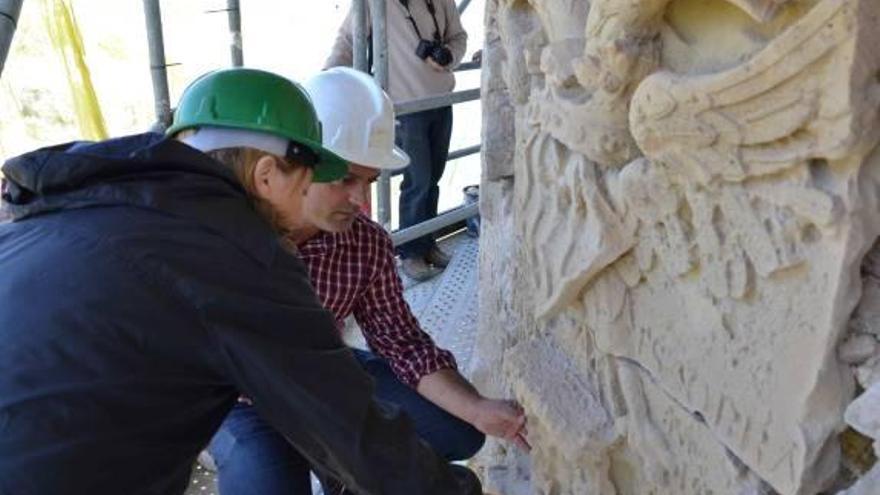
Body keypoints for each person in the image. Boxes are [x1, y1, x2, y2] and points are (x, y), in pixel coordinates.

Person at [0, 67, 482, 495]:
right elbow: (349, 427)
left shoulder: (62, 210)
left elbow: (353, 378)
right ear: (268, 174)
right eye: (317, 176)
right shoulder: (237, 258)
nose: (357, 200)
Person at [207, 67, 529, 495]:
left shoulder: (364, 243)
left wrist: (477, 408)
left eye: (370, 181)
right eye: (345, 179)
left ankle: (344, 471)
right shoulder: (225, 232)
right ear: (296, 167)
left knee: (461, 430)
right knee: (265, 478)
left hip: (320, 367)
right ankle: (335, 462)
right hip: (238, 396)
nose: (361, 201)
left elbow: (402, 344)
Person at [326, 0, 468, 281]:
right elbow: (347, 39)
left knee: (434, 178)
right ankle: (410, 251)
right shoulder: (373, 3)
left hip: (442, 101)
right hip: (406, 107)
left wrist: (449, 55)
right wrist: (328, 76)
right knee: (419, 180)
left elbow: (459, 36)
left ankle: (427, 244)